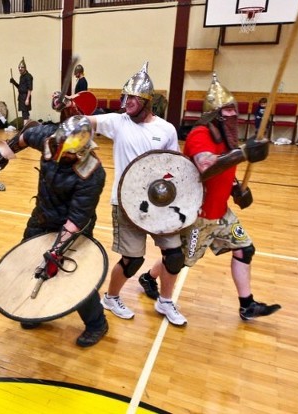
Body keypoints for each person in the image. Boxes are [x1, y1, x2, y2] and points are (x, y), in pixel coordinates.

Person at [155, 73, 279, 321]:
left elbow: (226, 172)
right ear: (215, 114)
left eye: (235, 110)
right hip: (198, 217)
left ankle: (247, 305)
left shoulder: (228, 137)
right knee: (177, 261)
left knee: (245, 249)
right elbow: (207, 167)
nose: (234, 115)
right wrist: (244, 153)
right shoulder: (200, 135)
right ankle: (153, 283)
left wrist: (237, 190)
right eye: (227, 111)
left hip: (221, 213)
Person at [0, 115, 108, 347]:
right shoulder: (49, 138)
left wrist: (55, 252)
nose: (56, 154)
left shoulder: (92, 173)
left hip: (73, 229)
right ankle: (36, 312)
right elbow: (25, 136)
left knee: (74, 277)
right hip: (42, 216)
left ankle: (97, 323)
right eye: (56, 147)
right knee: (28, 264)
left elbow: (76, 218)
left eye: (65, 153)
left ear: (80, 153)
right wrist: (4, 153)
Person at [84, 62, 187, 326]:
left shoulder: (166, 129)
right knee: (133, 260)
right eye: (125, 96)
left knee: (174, 256)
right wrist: (68, 107)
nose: (127, 101)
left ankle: (165, 301)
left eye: (133, 97)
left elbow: (174, 164)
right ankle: (110, 297)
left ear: (147, 101)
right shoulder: (118, 123)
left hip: (159, 205)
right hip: (126, 203)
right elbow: (86, 122)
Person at [10, 57, 33, 123]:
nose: (20, 69)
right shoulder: (22, 76)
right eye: (19, 68)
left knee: (25, 112)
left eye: (21, 67)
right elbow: (20, 88)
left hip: (25, 96)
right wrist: (14, 82)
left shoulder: (28, 76)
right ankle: (27, 127)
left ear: (25, 68)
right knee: (25, 112)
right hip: (21, 96)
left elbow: (29, 88)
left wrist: (27, 99)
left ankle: (25, 128)